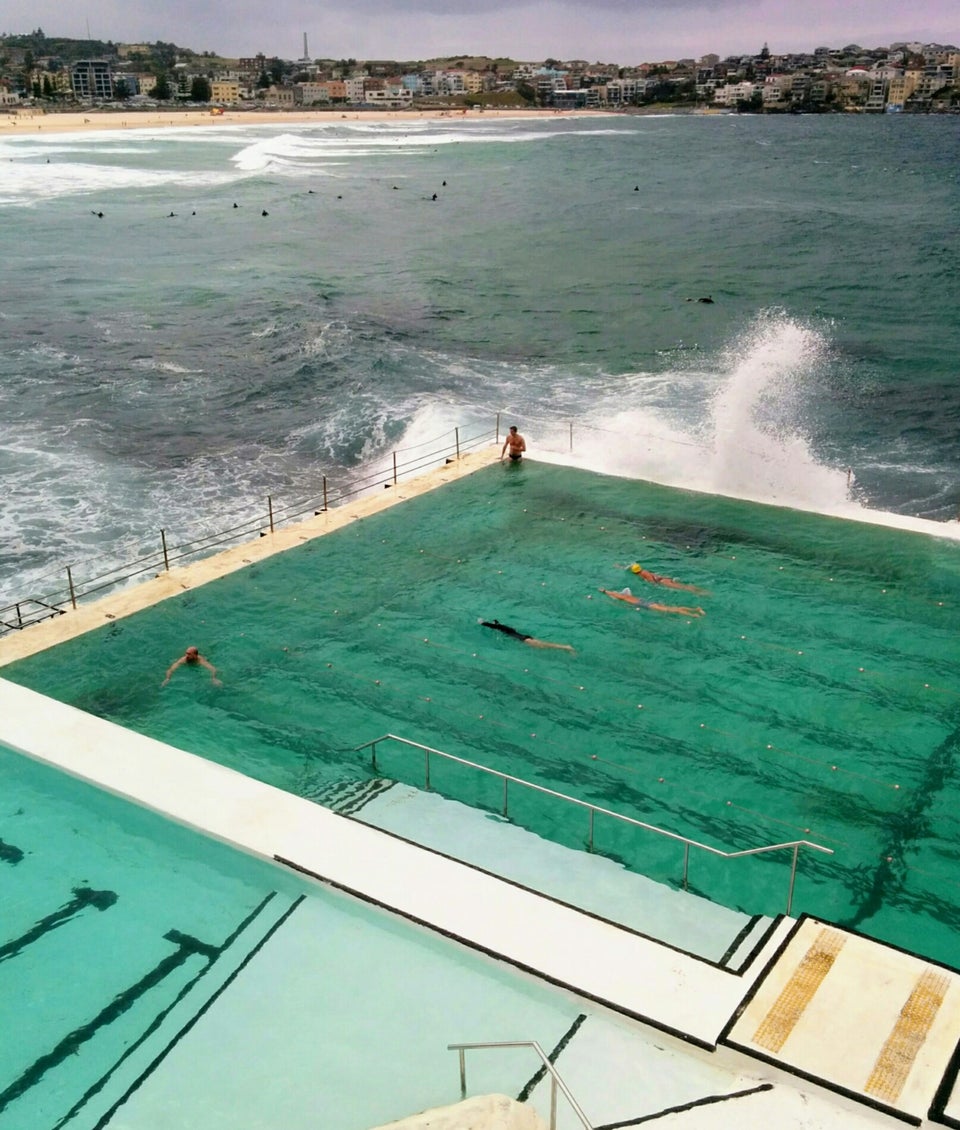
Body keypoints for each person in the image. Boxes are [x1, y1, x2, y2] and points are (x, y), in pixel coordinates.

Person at [599, 587, 705, 617]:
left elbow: (615, 595)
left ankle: (694, 615)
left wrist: (605, 591)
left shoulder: (624, 598)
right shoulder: (629, 596)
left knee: (672, 610)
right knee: (672, 608)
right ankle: (695, 609)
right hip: (646, 602)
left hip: (646, 605)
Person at [480, 619, 574, 652]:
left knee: (546, 646)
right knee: (545, 646)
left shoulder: (503, 629)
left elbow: (493, 626)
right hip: (525, 638)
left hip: (525, 640)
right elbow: (496, 625)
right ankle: (565, 648)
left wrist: (483, 623)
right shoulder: (507, 628)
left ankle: (566, 647)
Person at [617, 563, 708, 595]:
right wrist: (619, 566)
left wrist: (654, 586)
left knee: (682, 588)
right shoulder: (644, 571)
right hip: (663, 578)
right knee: (682, 586)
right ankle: (697, 589)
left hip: (662, 582)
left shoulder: (642, 574)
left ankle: (699, 592)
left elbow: (652, 581)